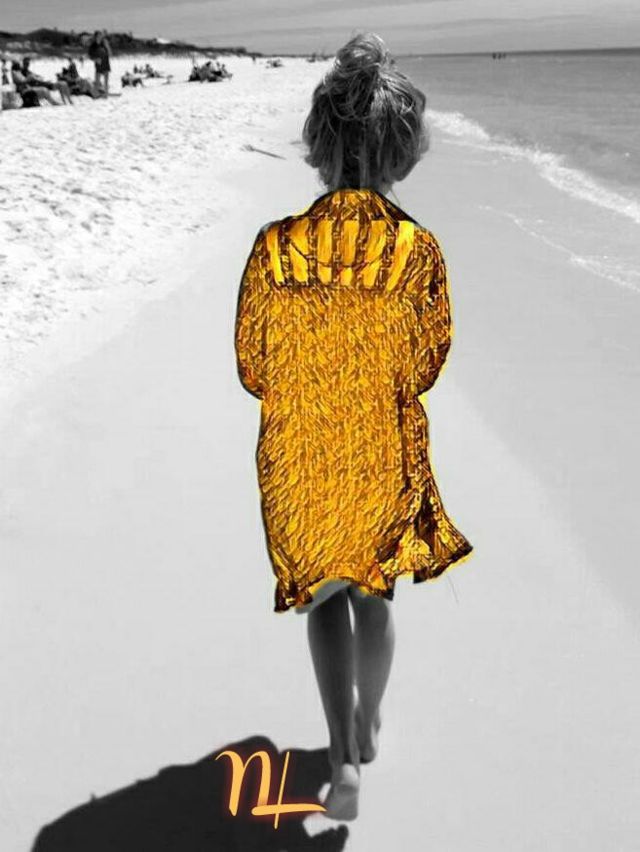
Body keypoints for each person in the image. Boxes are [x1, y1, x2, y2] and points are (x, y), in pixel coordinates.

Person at [234, 32, 474, 821]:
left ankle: (342, 758)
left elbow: (253, 368)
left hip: (302, 449)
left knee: (323, 600)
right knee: (374, 595)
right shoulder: (417, 251)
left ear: (319, 142)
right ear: (403, 149)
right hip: (378, 446)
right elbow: (426, 363)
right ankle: (369, 727)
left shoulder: (274, 249)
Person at [88, 30, 111, 96]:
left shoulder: (104, 44)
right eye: (98, 36)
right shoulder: (93, 46)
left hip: (106, 63)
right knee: (97, 82)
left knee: (106, 81)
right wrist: (95, 59)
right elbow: (90, 56)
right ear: (95, 37)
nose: (100, 37)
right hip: (98, 65)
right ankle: (96, 94)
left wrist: (107, 46)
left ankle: (106, 94)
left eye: (100, 36)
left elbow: (110, 54)